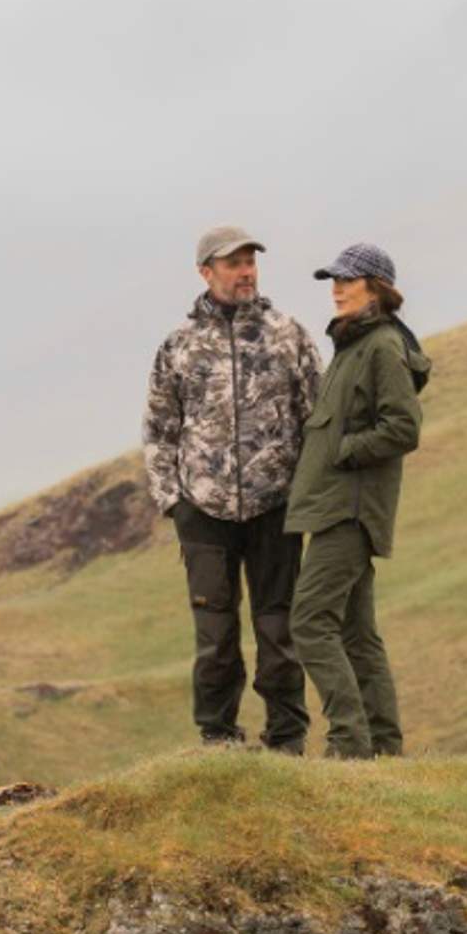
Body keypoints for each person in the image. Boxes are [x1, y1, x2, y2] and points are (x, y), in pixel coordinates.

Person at [143, 226, 323, 752]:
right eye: (233, 263)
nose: (245, 271)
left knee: (278, 631)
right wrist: (172, 501)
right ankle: (217, 737)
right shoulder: (179, 346)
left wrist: (304, 493)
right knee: (216, 637)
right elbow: (159, 429)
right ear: (206, 272)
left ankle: (286, 739)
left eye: (250, 261)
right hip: (203, 511)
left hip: (275, 508)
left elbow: (315, 418)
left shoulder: (288, 334)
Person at [284, 242, 430, 759]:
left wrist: (345, 452)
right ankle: (385, 748)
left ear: (377, 288)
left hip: (348, 510)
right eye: (333, 280)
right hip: (334, 507)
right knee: (357, 634)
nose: (337, 289)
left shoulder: (381, 347)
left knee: (309, 622)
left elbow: (403, 427)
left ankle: (349, 743)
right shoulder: (354, 346)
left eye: (348, 280)